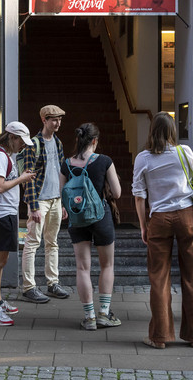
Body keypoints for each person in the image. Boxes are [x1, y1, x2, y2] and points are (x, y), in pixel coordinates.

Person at [132, 112, 193, 349]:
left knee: (158, 278)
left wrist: (144, 226)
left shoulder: (143, 158)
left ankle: (160, 337)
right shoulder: (184, 152)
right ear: (172, 131)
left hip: (159, 218)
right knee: (192, 277)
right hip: (187, 216)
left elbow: (139, 196)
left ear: (151, 131)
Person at [59, 123, 122, 331]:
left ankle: (89, 317)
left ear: (79, 139)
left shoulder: (66, 164)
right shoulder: (104, 161)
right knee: (107, 265)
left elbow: (61, 194)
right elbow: (118, 192)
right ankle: (104, 313)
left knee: (82, 268)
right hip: (100, 217)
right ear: (94, 141)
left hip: (77, 220)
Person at [0, 122, 36, 326]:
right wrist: (21, 179)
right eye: (21, 141)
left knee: (1, 260)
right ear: (12, 138)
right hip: (0, 215)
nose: (23, 146)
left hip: (5, 213)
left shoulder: (5, 156)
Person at [18, 105, 69, 303]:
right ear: (44, 120)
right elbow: (28, 177)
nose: (57, 123)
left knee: (52, 243)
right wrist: (33, 205)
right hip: (39, 199)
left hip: (56, 199)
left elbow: (61, 174)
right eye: (54, 120)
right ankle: (29, 287)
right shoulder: (33, 144)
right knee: (32, 243)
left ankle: (52, 283)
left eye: (59, 120)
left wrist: (63, 202)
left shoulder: (58, 143)